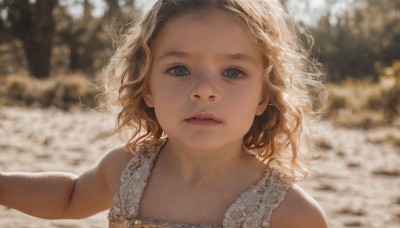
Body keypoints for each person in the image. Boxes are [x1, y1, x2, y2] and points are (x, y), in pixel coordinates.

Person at [0, 0, 328, 227]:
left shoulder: (291, 213)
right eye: (179, 69)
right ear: (147, 86)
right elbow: (70, 197)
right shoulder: (127, 169)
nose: (204, 89)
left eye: (233, 72)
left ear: (264, 96)